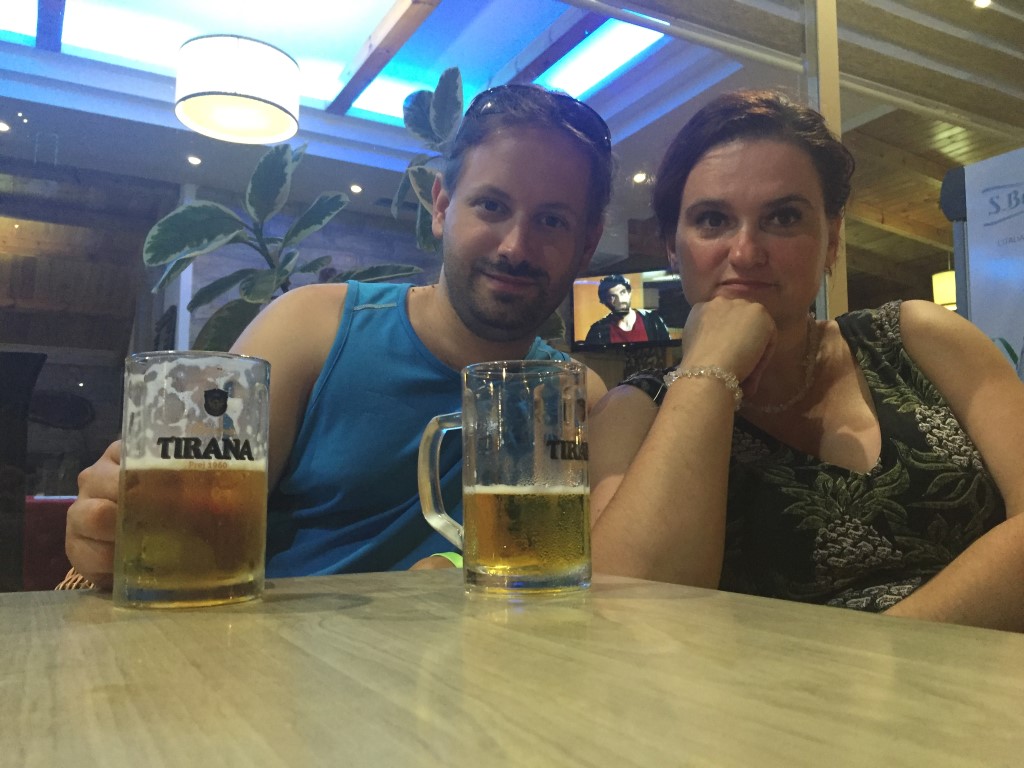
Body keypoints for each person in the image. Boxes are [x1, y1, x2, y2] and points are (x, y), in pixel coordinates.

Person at [66, 84, 614, 588]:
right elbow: (177, 517)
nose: (515, 247)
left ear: (586, 245)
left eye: (552, 221)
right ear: (443, 207)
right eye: (491, 205)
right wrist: (107, 529)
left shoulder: (577, 399)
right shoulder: (309, 328)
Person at [588, 89, 1024, 632]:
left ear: (832, 239)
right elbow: (628, 613)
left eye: (784, 217)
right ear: (673, 250)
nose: (746, 253)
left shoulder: (918, 338)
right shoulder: (633, 411)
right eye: (712, 219)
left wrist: (886, 653)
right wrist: (711, 369)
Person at [584, 273, 670, 345]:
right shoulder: (597, 332)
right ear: (604, 302)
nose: (620, 300)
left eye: (622, 292)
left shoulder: (653, 320)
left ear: (629, 293)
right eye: (612, 296)